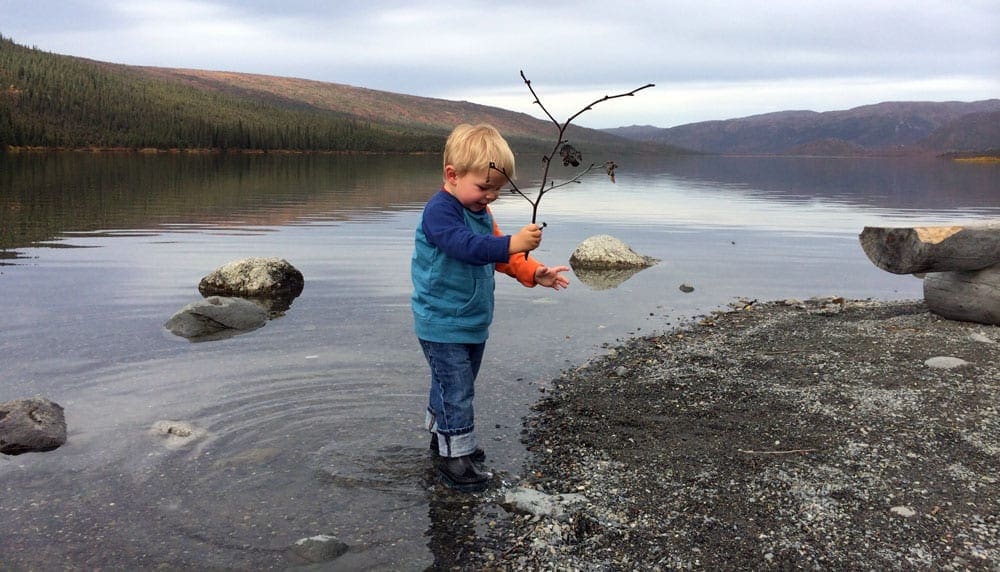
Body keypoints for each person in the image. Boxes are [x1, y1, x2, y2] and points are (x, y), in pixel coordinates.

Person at [411, 123, 570, 492]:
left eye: (496, 190)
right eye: (484, 188)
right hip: (440, 320)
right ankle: (455, 461)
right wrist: (512, 243)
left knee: (452, 385)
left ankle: (446, 441)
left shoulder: (480, 213)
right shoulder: (440, 213)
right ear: (452, 175)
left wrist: (534, 271)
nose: (490, 197)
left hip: (471, 320)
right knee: (457, 389)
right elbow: (467, 247)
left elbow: (500, 255)